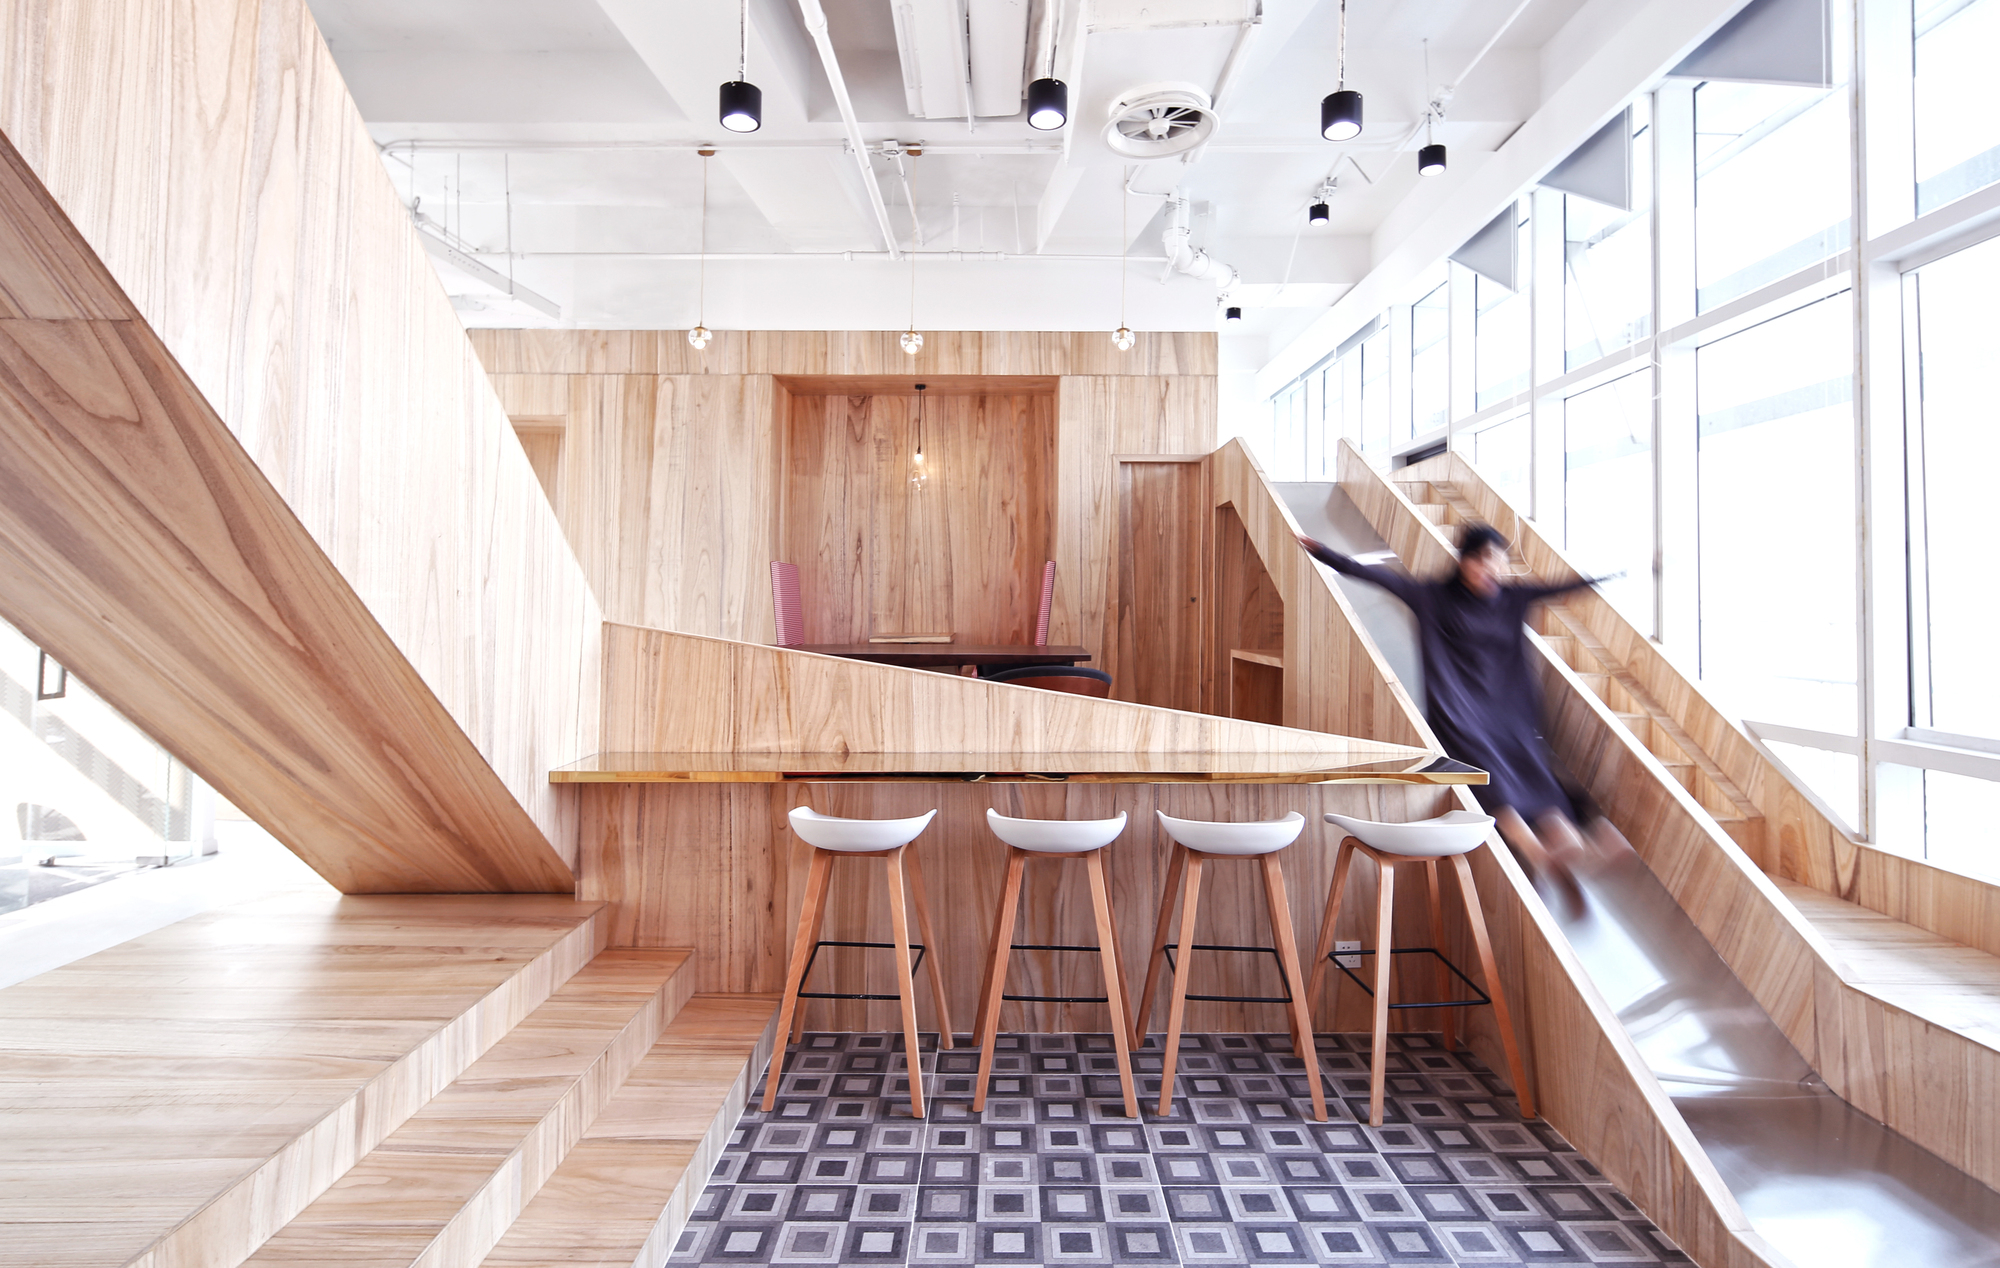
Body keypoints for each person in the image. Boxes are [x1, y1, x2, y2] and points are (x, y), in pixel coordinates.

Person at [1295, 521, 1620, 912]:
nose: (1489, 570)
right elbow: (1376, 577)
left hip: (1507, 710)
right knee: (1488, 774)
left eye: (1496, 562)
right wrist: (1324, 551)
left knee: (1531, 770)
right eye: (1481, 561)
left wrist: (1611, 575)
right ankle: (1538, 855)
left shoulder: (1512, 598)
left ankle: (1566, 846)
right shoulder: (1433, 596)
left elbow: (1560, 587)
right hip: (1459, 710)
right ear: (1464, 560)